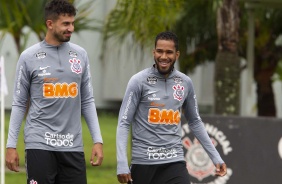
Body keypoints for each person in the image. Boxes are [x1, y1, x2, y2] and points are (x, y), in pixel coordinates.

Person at [5, 0, 103, 183]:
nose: (71, 28)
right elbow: (19, 103)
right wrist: (11, 145)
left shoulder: (80, 55)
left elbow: (87, 100)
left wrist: (98, 140)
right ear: (50, 24)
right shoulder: (28, 57)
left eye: (72, 23)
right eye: (66, 24)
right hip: (40, 143)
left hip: (72, 145)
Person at [116, 31, 227, 184]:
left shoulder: (185, 82)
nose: (163, 57)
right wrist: (121, 162)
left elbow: (194, 121)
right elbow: (124, 122)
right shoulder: (138, 81)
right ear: (154, 52)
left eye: (169, 52)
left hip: (174, 162)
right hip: (143, 163)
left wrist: (215, 157)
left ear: (177, 54)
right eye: (160, 51)